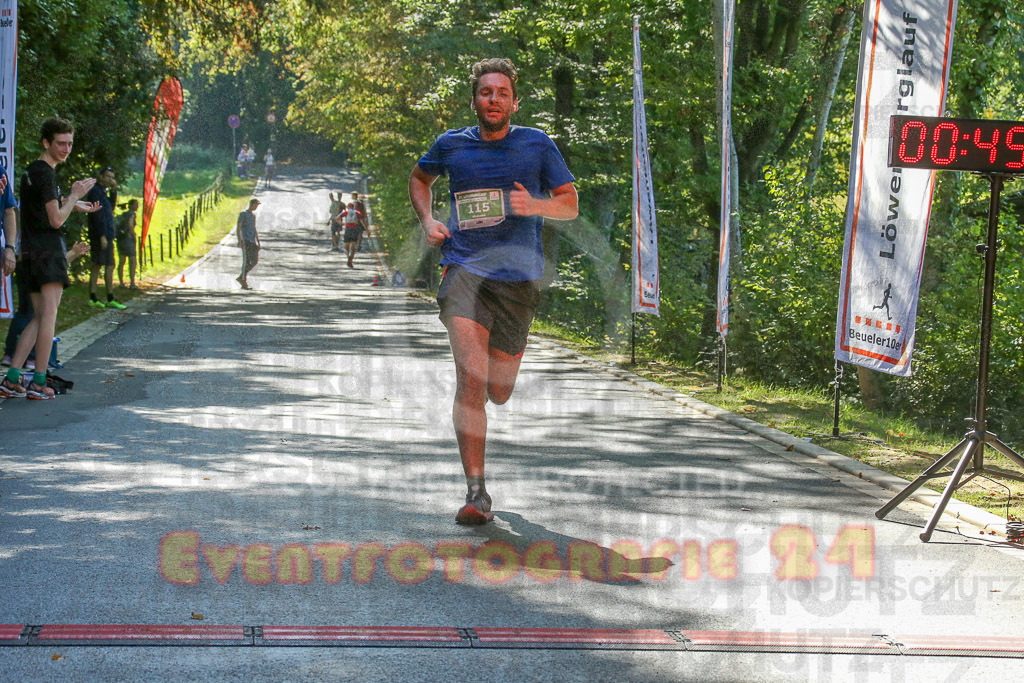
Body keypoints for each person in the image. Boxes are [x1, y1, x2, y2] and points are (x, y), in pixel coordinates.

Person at [409, 58, 578, 524]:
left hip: (518, 281)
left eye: (502, 92)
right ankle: (476, 492)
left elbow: (570, 204)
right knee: (472, 381)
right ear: (474, 100)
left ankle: (484, 451)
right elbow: (420, 178)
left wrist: (536, 204)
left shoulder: (537, 145)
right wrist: (428, 221)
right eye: (486, 92)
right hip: (463, 271)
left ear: (514, 101)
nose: (494, 99)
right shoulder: (451, 145)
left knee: (499, 391)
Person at [1, 117, 99, 400]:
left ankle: (12, 378)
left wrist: (75, 205)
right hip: (48, 252)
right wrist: (74, 195)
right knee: (48, 318)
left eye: (70, 143)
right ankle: (39, 381)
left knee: (37, 317)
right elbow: (55, 220)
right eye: (61, 143)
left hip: (29, 252)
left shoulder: (32, 171)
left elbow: (44, 209)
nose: (66, 148)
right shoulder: (47, 174)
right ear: (47, 142)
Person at [86, 167, 126, 309]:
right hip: (100, 235)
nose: (110, 179)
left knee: (106, 264)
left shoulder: (103, 191)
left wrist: (114, 191)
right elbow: (98, 215)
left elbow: (110, 207)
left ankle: (106, 297)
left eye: (112, 176)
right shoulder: (95, 191)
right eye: (108, 176)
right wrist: (102, 235)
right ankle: (97, 297)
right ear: (101, 176)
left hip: (107, 233)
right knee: (101, 264)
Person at [236, 197, 261, 289]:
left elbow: (254, 229)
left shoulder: (253, 216)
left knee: (254, 261)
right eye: (256, 205)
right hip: (245, 240)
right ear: (252, 204)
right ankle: (243, 280)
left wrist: (258, 242)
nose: (256, 207)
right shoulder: (243, 214)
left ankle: (241, 277)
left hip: (252, 241)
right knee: (246, 261)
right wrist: (240, 240)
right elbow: (238, 228)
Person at [116, 198, 140, 290]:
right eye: (136, 204)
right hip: (128, 239)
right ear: (131, 206)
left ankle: (121, 282)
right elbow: (130, 224)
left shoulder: (124, 214)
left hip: (121, 239)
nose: (137, 206)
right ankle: (132, 283)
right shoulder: (132, 214)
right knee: (132, 261)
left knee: (122, 261)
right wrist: (134, 235)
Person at [340, 200, 362, 268]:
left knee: (345, 247)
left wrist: (342, 223)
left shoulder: (346, 212)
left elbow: (337, 217)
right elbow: (362, 221)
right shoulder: (357, 212)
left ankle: (347, 254)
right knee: (353, 248)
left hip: (348, 230)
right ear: (354, 207)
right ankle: (350, 260)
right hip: (355, 230)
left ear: (348, 207)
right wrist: (367, 230)